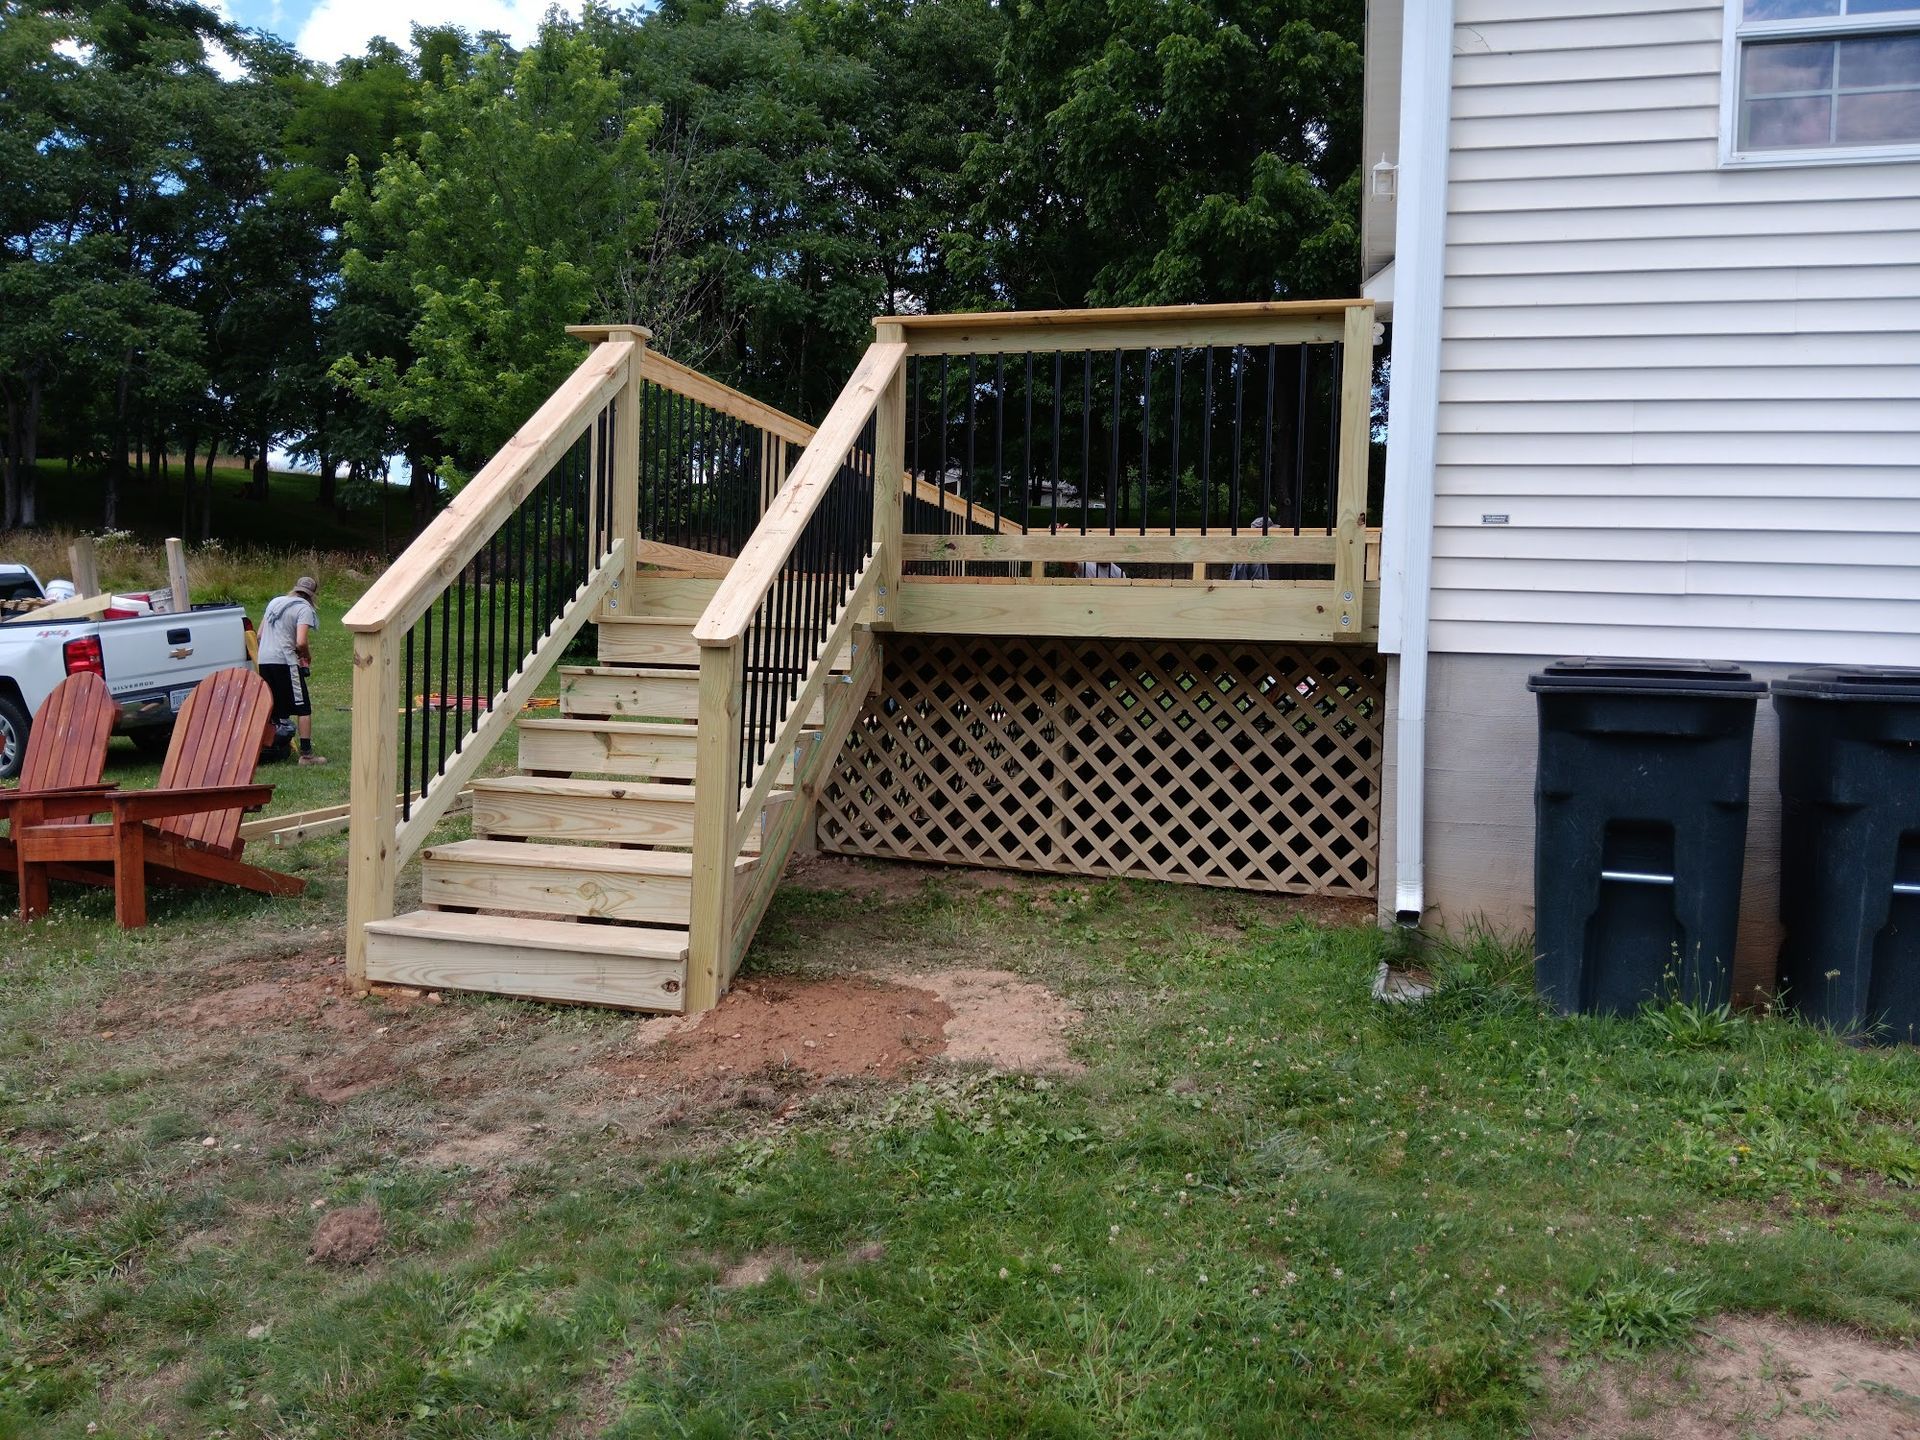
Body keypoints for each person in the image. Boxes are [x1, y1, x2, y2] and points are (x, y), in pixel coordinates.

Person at [259, 575, 326, 765]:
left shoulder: (275, 602)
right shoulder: (304, 609)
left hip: (265, 660)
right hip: (286, 661)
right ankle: (306, 755)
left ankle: (265, 749)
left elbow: (260, 635)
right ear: (312, 595)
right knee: (303, 706)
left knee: (271, 706)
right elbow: (301, 641)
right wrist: (306, 655)